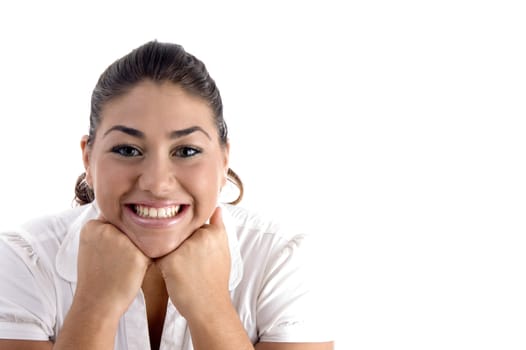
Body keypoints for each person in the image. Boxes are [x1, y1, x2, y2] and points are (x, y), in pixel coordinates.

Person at [0, 40, 334, 350]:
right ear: (88, 158)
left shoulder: (281, 259)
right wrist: (95, 305)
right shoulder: (24, 259)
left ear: (223, 160)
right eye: (128, 150)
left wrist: (211, 309)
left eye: (187, 150)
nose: (157, 184)